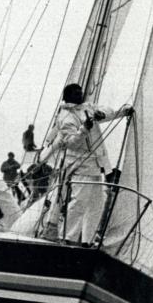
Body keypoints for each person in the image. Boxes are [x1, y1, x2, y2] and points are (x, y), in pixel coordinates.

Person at [35, 83, 132, 245]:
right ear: (68, 96)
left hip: (96, 166)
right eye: (77, 93)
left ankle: (87, 240)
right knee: (79, 201)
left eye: (81, 92)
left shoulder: (87, 107)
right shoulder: (65, 117)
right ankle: (67, 238)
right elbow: (71, 143)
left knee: (97, 204)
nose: (81, 95)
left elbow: (107, 111)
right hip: (80, 165)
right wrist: (84, 129)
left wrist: (121, 112)